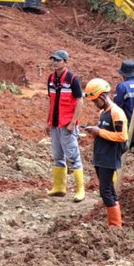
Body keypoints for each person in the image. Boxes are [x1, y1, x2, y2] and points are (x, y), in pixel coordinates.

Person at [84, 78, 127, 227]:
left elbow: (122, 137)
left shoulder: (116, 113)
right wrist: (95, 131)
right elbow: (106, 132)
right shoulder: (104, 112)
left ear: (102, 96)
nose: (95, 105)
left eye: (96, 101)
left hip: (109, 157)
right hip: (101, 156)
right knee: (107, 189)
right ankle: (116, 222)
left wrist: (100, 132)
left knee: (105, 191)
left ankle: (115, 225)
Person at [45, 50, 85, 200]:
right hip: (55, 124)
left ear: (65, 62)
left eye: (58, 60)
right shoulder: (51, 79)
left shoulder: (73, 79)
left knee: (73, 157)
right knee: (57, 156)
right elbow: (51, 100)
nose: (55, 62)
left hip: (67, 124)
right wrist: (47, 121)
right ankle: (59, 187)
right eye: (53, 59)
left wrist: (73, 122)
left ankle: (80, 190)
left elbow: (80, 100)